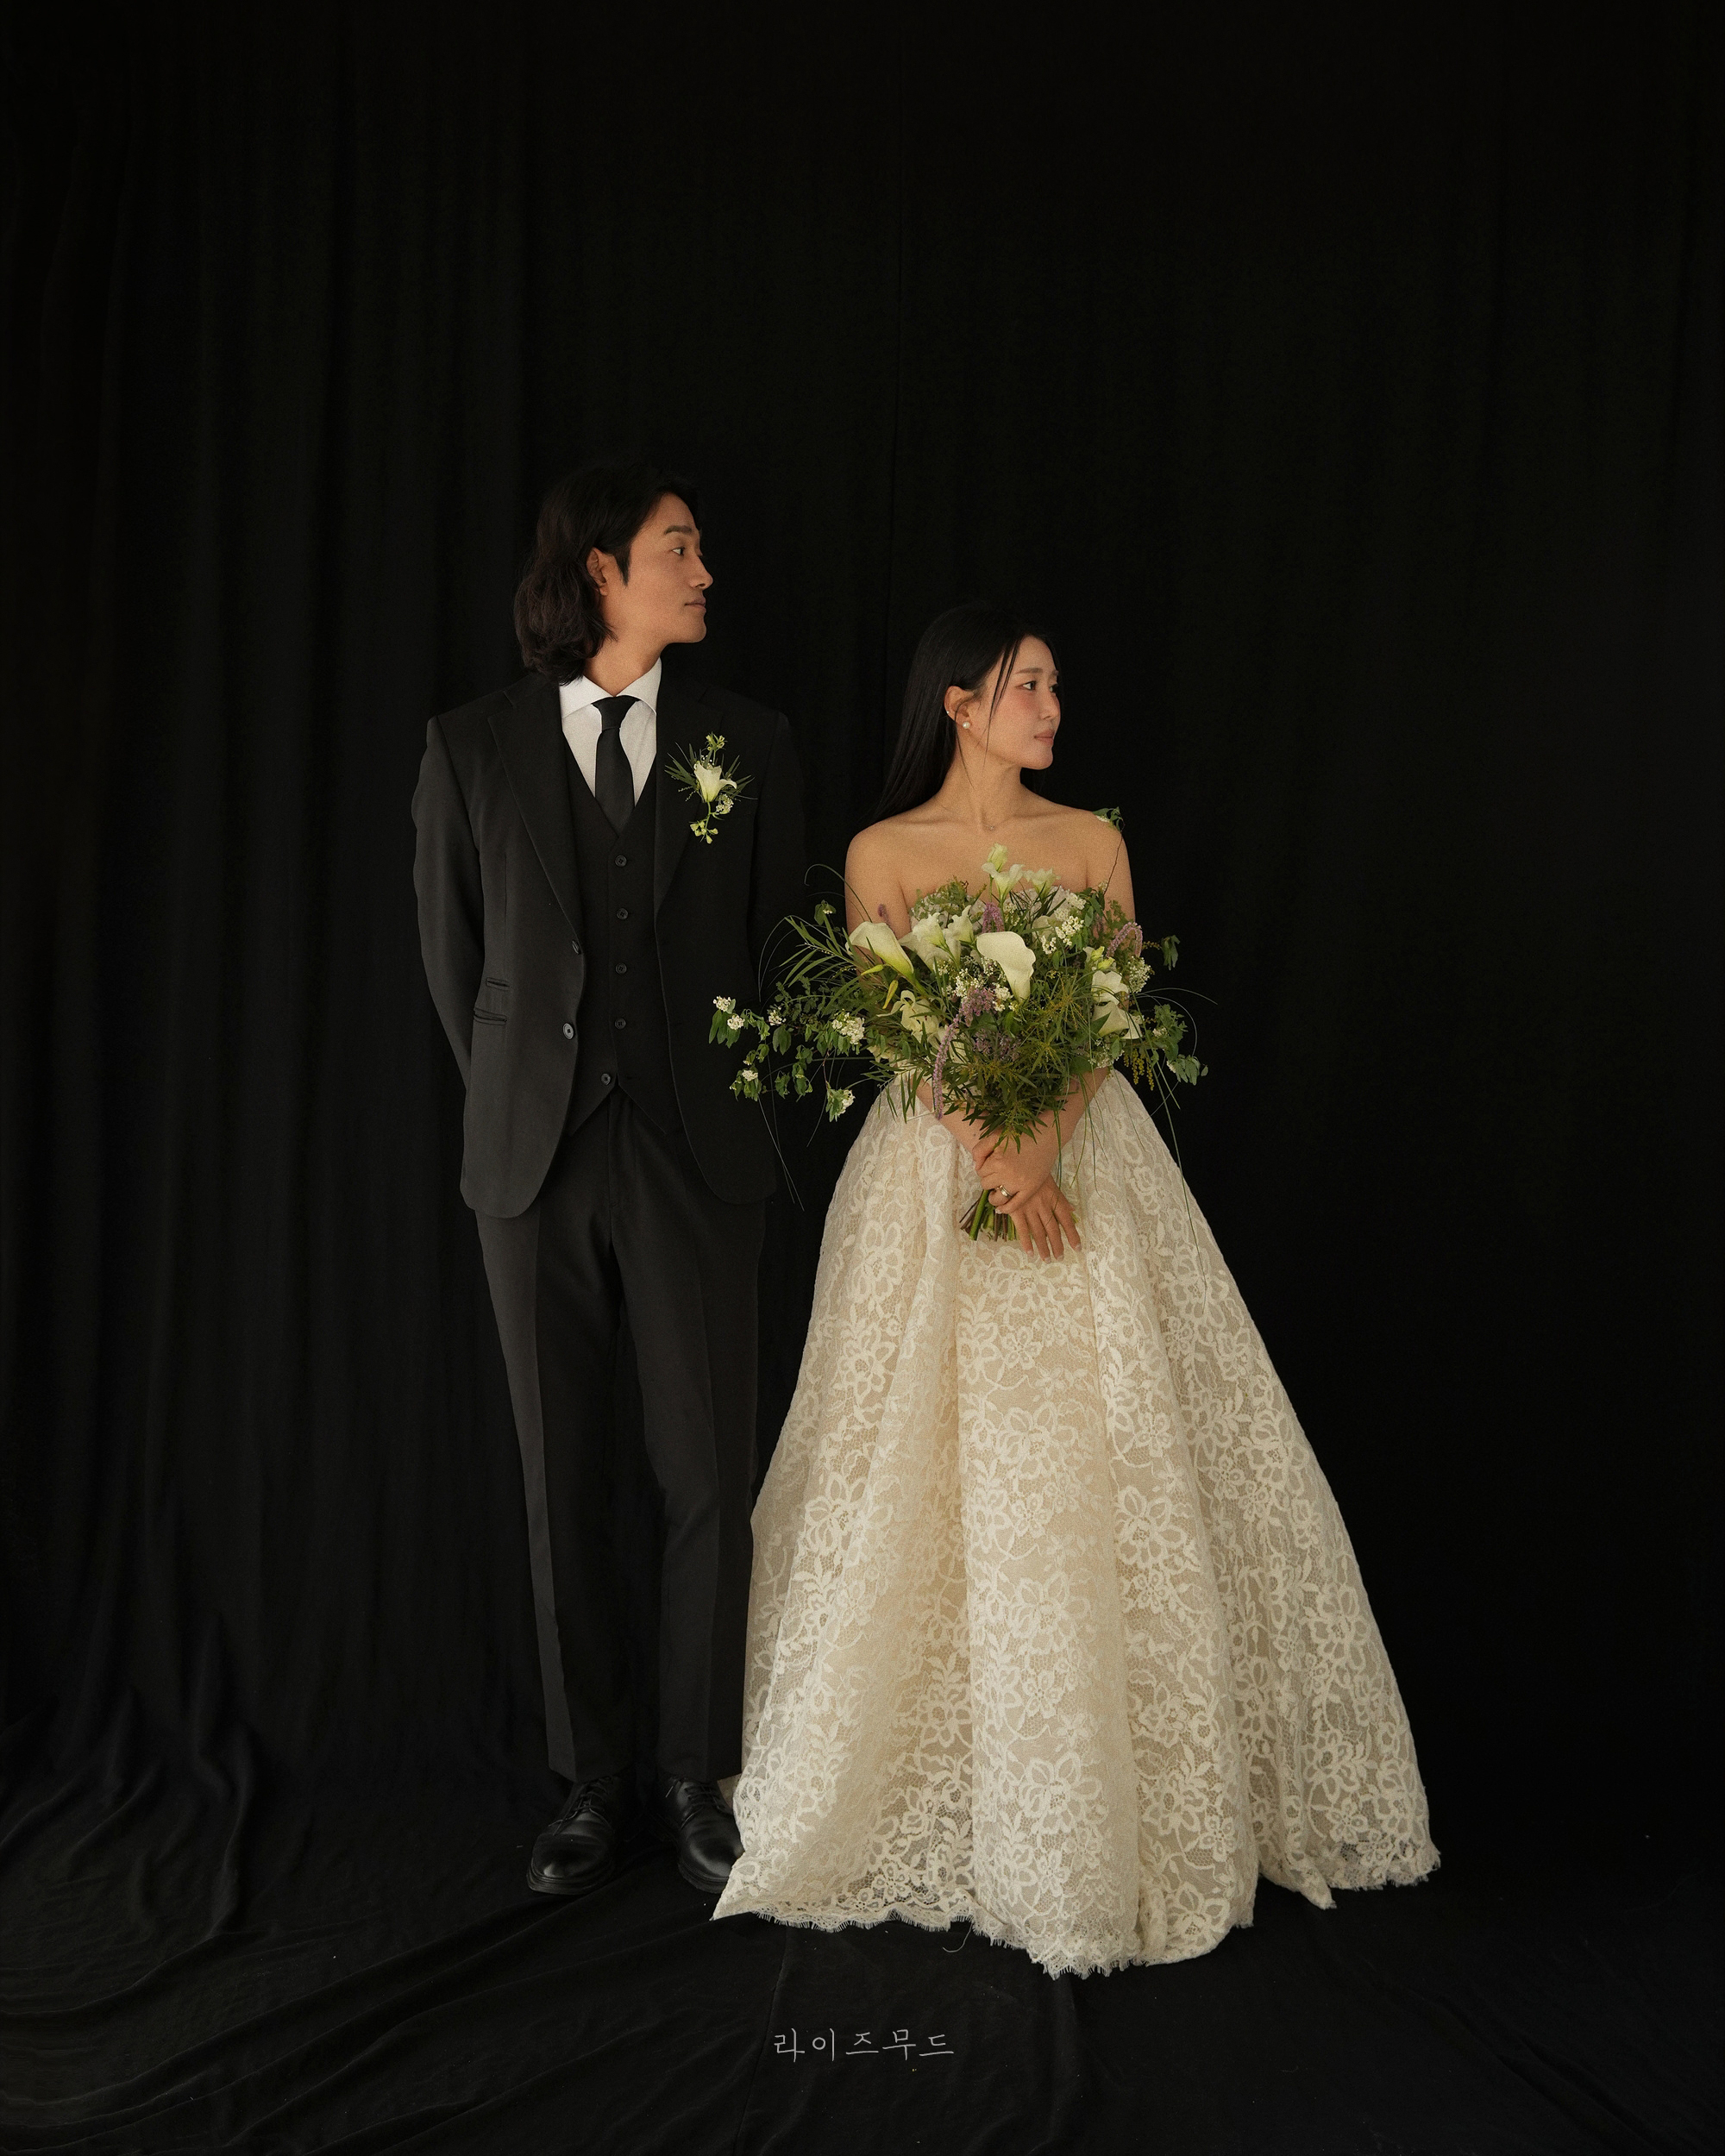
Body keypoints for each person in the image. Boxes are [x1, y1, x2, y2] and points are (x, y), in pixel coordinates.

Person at [712, 603, 1436, 1976]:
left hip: (1083, 1165)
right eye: (1028, 685)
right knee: (919, 1468)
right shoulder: (882, 854)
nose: (1052, 706)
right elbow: (892, 1029)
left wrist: (1038, 1151)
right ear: (961, 706)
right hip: (934, 1178)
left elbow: (1111, 1010)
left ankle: (1127, 1798)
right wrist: (991, 1156)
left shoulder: (1090, 839)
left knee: (1100, 1460)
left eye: (1051, 684)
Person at [412, 460, 805, 1898]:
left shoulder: (749, 742)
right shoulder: (469, 750)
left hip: (703, 1155)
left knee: (709, 1475)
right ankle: (591, 1779)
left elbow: (777, 955)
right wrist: (532, 1105)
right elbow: (462, 978)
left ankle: (699, 1773)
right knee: (554, 1476)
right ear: (599, 573)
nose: (704, 572)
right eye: (679, 548)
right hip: (535, 1163)